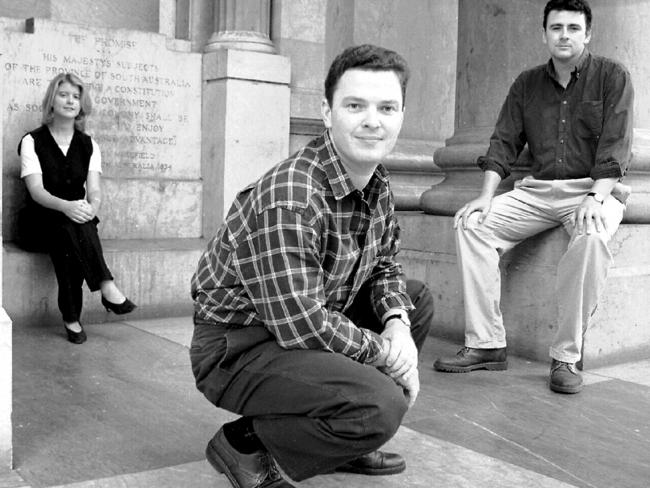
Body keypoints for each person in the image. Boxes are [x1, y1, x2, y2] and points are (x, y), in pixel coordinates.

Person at [190, 44, 434, 488]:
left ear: (402, 114)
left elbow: (384, 264)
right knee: (378, 404)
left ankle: (345, 441)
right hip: (237, 348)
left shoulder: (375, 182)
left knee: (414, 300)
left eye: (387, 107)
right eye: (355, 105)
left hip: (300, 322)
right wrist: (388, 357)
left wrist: (397, 325)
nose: (372, 120)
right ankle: (244, 443)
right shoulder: (294, 195)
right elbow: (301, 323)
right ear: (326, 111)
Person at [433, 0, 633, 394]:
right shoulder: (527, 84)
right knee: (472, 224)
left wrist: (596, 196)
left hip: (593, 189)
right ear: (544, 34)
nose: (564, 35)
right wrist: (486, 196)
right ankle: (487, 345)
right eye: (556, 27)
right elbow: (503, 142)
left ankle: (566, 357)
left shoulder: (612, 77)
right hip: (538, 192)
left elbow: (617, 145)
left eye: (573, 28)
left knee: (591, 239)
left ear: (587, 34)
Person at [18, 72, 136, 344]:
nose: (70, 101)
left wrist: (93, 206)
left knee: (72, 231)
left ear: (82, 104)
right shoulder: (32, 141)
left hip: (76, 220)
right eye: (63, 95)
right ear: (51, 101)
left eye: (76, 96)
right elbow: (36, 192)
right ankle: (105, 286)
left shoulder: (89, 145)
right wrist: (67, 206)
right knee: (66, 224)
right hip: (40, 219)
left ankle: (72, 317)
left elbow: (94, 190)